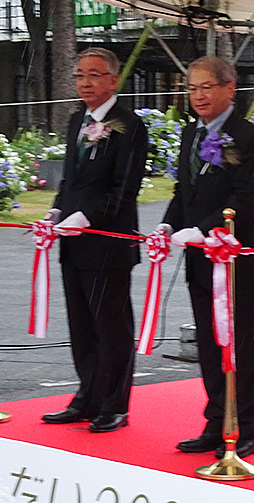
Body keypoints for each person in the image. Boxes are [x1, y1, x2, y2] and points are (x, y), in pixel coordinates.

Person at [158, 56, 254, 459]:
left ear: (230, 88)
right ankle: (216, 421)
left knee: (243, 346)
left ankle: (246, 428)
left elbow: (244, 198)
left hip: (240, 260)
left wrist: (208, 227)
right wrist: (168, 226)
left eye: (206, 86)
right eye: (192, 88)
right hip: (199, 258)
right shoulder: (190, 135)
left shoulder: (248, 137)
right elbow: (182, 191)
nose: (198, 95)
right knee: (210, 344)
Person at [40, 47, 148, 433]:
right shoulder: (75, 122)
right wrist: (56, 211)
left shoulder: (130, 125)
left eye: (94, 75)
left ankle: (114, 404)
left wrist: (86, 218)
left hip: (108, 242)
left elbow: (125, 189)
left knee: (111, 326)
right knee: (81, 324)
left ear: (113, 80)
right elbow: (70, 180)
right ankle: (86, 396)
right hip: (73, 242)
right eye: (80, 75)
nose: (85, 82)